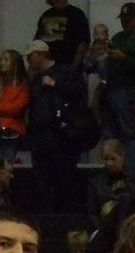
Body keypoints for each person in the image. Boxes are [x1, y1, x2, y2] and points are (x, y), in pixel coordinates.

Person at [25, 37, 85, 212]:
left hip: (61, 135)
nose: (28, 60)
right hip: (39, 136)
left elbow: (79, 93)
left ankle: (65, 215)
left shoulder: (65, 72)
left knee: (64, 177)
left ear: (41, 54)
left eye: (31, 55)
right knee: (43, 178)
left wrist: (55, 84)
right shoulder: (35, 80)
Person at [102, 2, 135, 173]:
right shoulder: (117, 37)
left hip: (126, 90)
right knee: (110, 134)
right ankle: (112, 170)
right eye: (123, 19)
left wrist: (123, 57)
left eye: (128, 20)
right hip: (110, 89)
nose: (124, 23)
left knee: (128, 133)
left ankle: (131, 173)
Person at [87, 138, 133, 229]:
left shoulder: (134, 177)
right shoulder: (95, 181)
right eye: (106, 159)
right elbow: (92, 212)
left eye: (113, 159)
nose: (109, 163)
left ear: (122, 156)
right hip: (103, 229)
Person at [36, 0, 90, 69]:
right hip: (48, 69)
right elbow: (38, 44)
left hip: (69, 67)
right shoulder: (46, 15)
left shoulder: (77, 14)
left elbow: (83, 44)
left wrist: (73, 69)